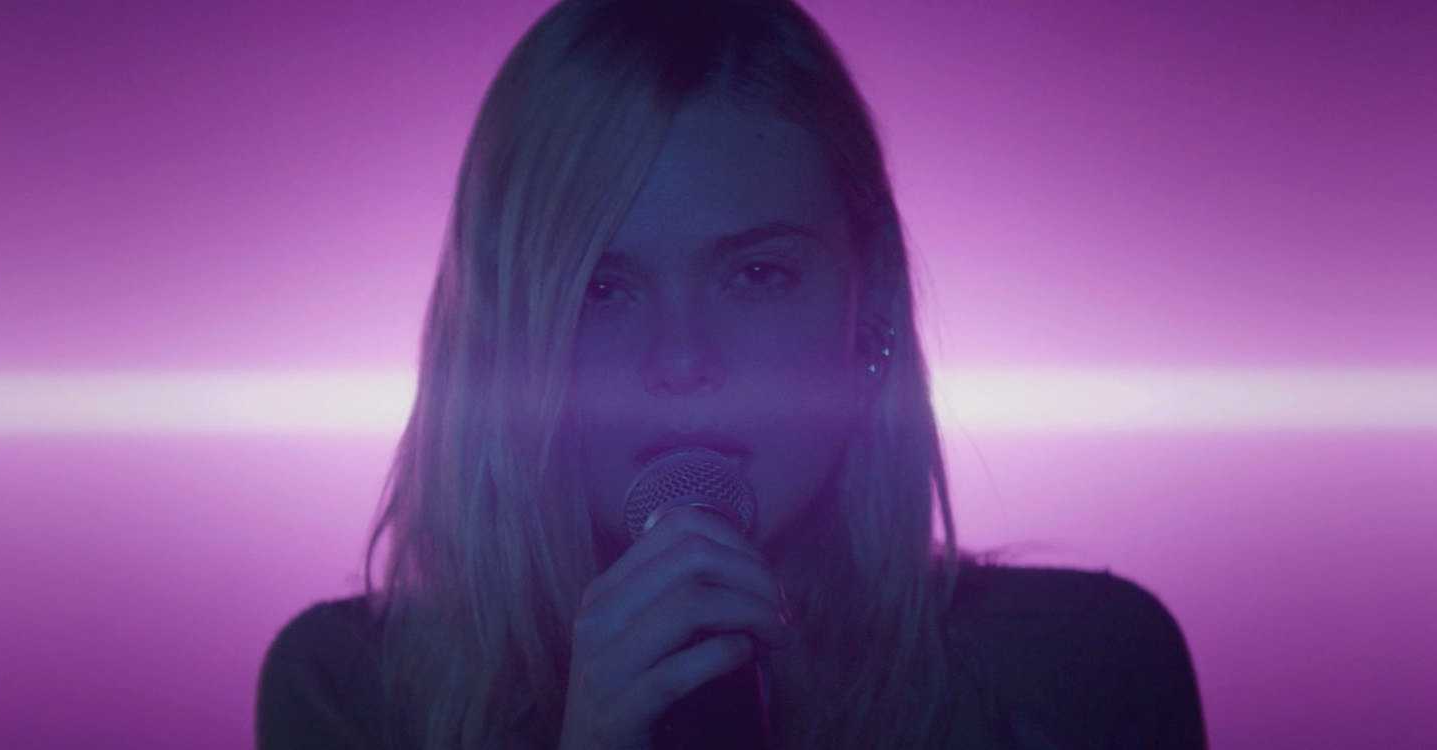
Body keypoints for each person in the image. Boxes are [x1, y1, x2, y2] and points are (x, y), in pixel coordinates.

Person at [255, 1, 1208, 748]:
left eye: (757, 276)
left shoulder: (1085, 671)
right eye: (601, 289)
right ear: (502, 335)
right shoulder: (350, 693)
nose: (681, 360)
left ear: (869, 307)